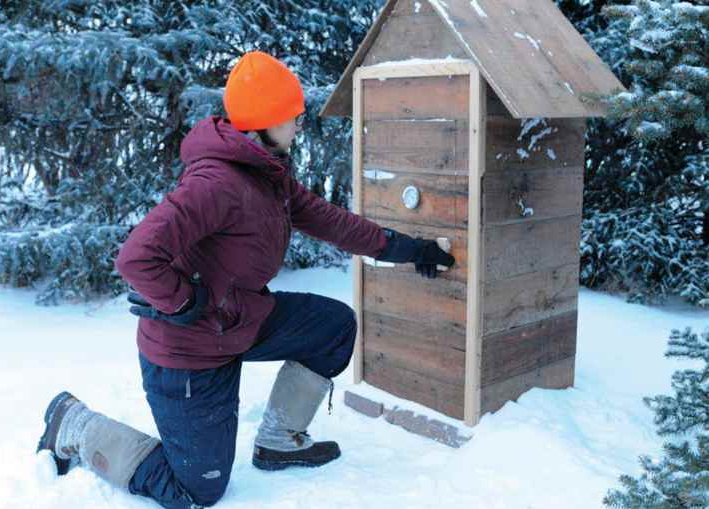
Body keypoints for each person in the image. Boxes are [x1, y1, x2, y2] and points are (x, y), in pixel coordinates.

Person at [36, 50, 455, 508]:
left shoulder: (267, 177)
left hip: (238, 321)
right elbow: (137, 257)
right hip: (190, 351)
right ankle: (73, 424)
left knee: (333, 327)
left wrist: (409, 249)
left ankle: (278, 441)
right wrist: (180, 301)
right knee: (195, 491)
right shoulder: (216, 183)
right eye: (292, 117)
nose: (299, 125)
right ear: (262, 125)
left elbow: (332, 222)